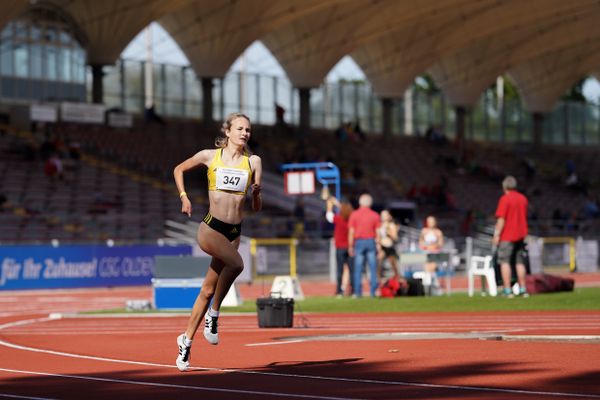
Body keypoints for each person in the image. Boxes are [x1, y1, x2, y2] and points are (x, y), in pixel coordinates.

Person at [173, 112, 262, 371]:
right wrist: (184, 196)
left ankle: (185, 341)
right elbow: (178, 169)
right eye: (240, 129)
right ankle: (214, 314)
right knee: (237, 265)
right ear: (228, 131)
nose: (245, 133)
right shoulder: (210, 156)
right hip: (211, 228)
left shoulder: (253, 162)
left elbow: (256, 207)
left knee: (207, 289)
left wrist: (257, 195)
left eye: (248, 130)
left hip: (234, 232)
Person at [493, 176, 528, 298]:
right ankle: (523, 289)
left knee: (504, 262)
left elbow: (501, 219)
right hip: (521, 234)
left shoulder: (505, 199)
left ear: (505, 187)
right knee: (520, 262)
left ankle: (507, 290)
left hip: (507, 235)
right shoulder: (523, 198)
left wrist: (497, 235)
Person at [348, 193, 380, 297]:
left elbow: (351, 232)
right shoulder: (375, 215)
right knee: (372, 267)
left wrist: (350, 246)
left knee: (358, 268)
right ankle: (373, 292)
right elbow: (378, 232)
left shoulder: (354, 214)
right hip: (371, 241)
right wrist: (378, 245)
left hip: (359, 242)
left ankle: (358, 292)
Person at [326, 196, 354, 297]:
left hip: (340, 247)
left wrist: (329, 205)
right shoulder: (352, 219)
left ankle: (339, 290)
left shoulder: (338, 219)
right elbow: (348, 211)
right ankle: (353, 290)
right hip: (351, 247)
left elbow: (329, 216)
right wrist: (338, 203)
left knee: (340, 270)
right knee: (352, 270)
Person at [377, 210, 400, 279]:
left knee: (393, 264)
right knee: (379, 262)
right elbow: (378, 236)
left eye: (385, 215)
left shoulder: (392, 225)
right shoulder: (379, 225)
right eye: (382, 215)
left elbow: (395, 237)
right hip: (382, 246)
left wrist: (389, 232)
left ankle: (397, 278)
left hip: (390, 246)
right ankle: (378, 278)